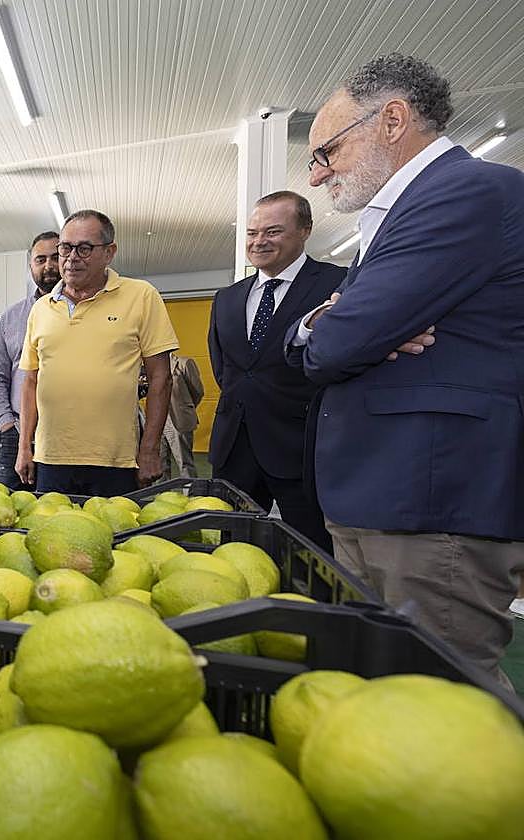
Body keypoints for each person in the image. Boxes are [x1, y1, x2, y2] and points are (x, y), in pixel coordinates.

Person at [287, 53, 524, 678]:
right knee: (386, 685)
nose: (317, 177)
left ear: (392, 120)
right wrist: (329, 322)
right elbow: (331, 333)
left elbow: (340, 344)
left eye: (326, 152)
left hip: (430, 500)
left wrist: (345, 327)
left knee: (439, 698)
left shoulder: (466, 192)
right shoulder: (404, 213)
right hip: (381, 493)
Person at [208, 191, 344, 550]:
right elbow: (226, 370)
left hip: (302, 448)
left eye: (272, 231)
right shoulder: (227, 298)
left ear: (305, 231)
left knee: (311, 553)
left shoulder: (337, 286)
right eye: (252, 233)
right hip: (234, 449)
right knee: (231, 550)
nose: (258, 242)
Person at [16, 210, 179, 495]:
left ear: (109, 252)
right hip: (51, 458)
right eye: (65, 247)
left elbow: (160, 378)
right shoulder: (41, 309)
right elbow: (31, 381)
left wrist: (150, 448)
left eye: (85, 248)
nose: (71, 257)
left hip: (115, 460)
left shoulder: (141, 296)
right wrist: (23, 448)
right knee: (51, 536)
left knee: (115, 537)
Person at [0, 231, 61, 489]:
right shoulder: (12, 317)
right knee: (5, 511)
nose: (49, 266)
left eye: (55, 257)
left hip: (67, 437)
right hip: (17, 433)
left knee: (59, 511)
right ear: (31, 265)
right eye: (40, 260)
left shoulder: (83, 312)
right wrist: (5, 422)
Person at [163, 353, 205, 478]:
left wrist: (185, 407)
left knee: (184, 463)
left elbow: (197, 391)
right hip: (157, 421)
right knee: (160, 464)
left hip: (179, 418)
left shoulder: (184, 363)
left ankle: (192, 493)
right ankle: (162, 494)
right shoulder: (149, 366)